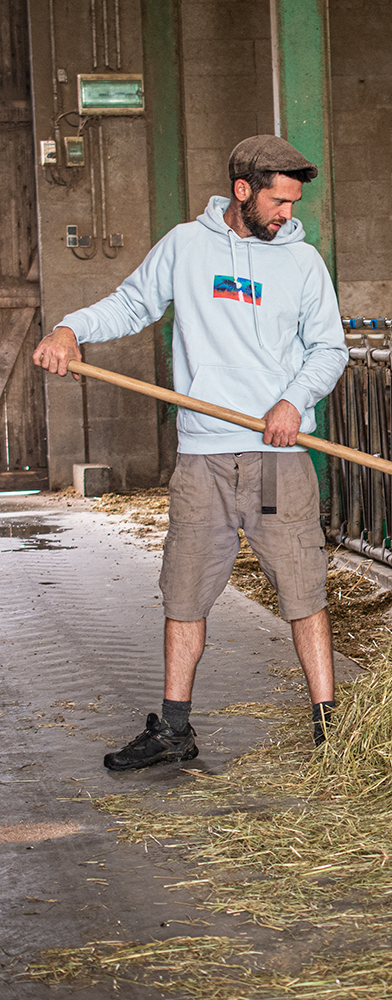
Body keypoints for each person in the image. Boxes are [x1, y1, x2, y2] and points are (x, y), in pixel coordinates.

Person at [32, 135, 349, 770]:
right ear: (242, 191)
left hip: (273, 458)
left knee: (301, 587)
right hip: (204, 458)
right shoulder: (185, 247)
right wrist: (70, 327)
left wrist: (292, 402)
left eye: (293, 203)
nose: (288, 214)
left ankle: (331, 727)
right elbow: (130, 305)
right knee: (184, 592)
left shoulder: (303, 262)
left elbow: (329, 350)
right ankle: (174, 727)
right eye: (278, 202)